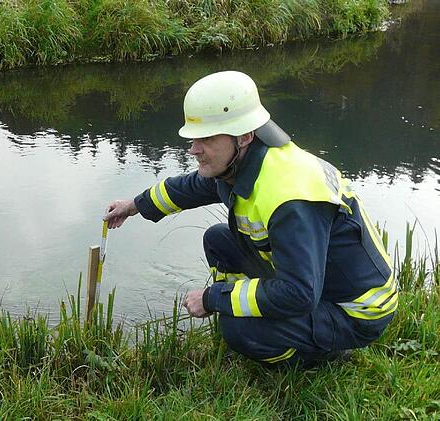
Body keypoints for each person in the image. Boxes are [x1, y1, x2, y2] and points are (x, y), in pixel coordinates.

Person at [104, 71, 396, 368]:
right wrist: (134, 206)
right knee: (218, 239)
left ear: (244, 136)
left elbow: (299, 294)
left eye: (205, 138)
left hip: (355, 311)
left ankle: (314, 357)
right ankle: (249, 319)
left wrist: (212, 298)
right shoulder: (243, 162)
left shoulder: (290, 196)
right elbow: (190, 187)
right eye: (193, 138)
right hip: (319, 283)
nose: (193, 149)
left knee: (240, 331)